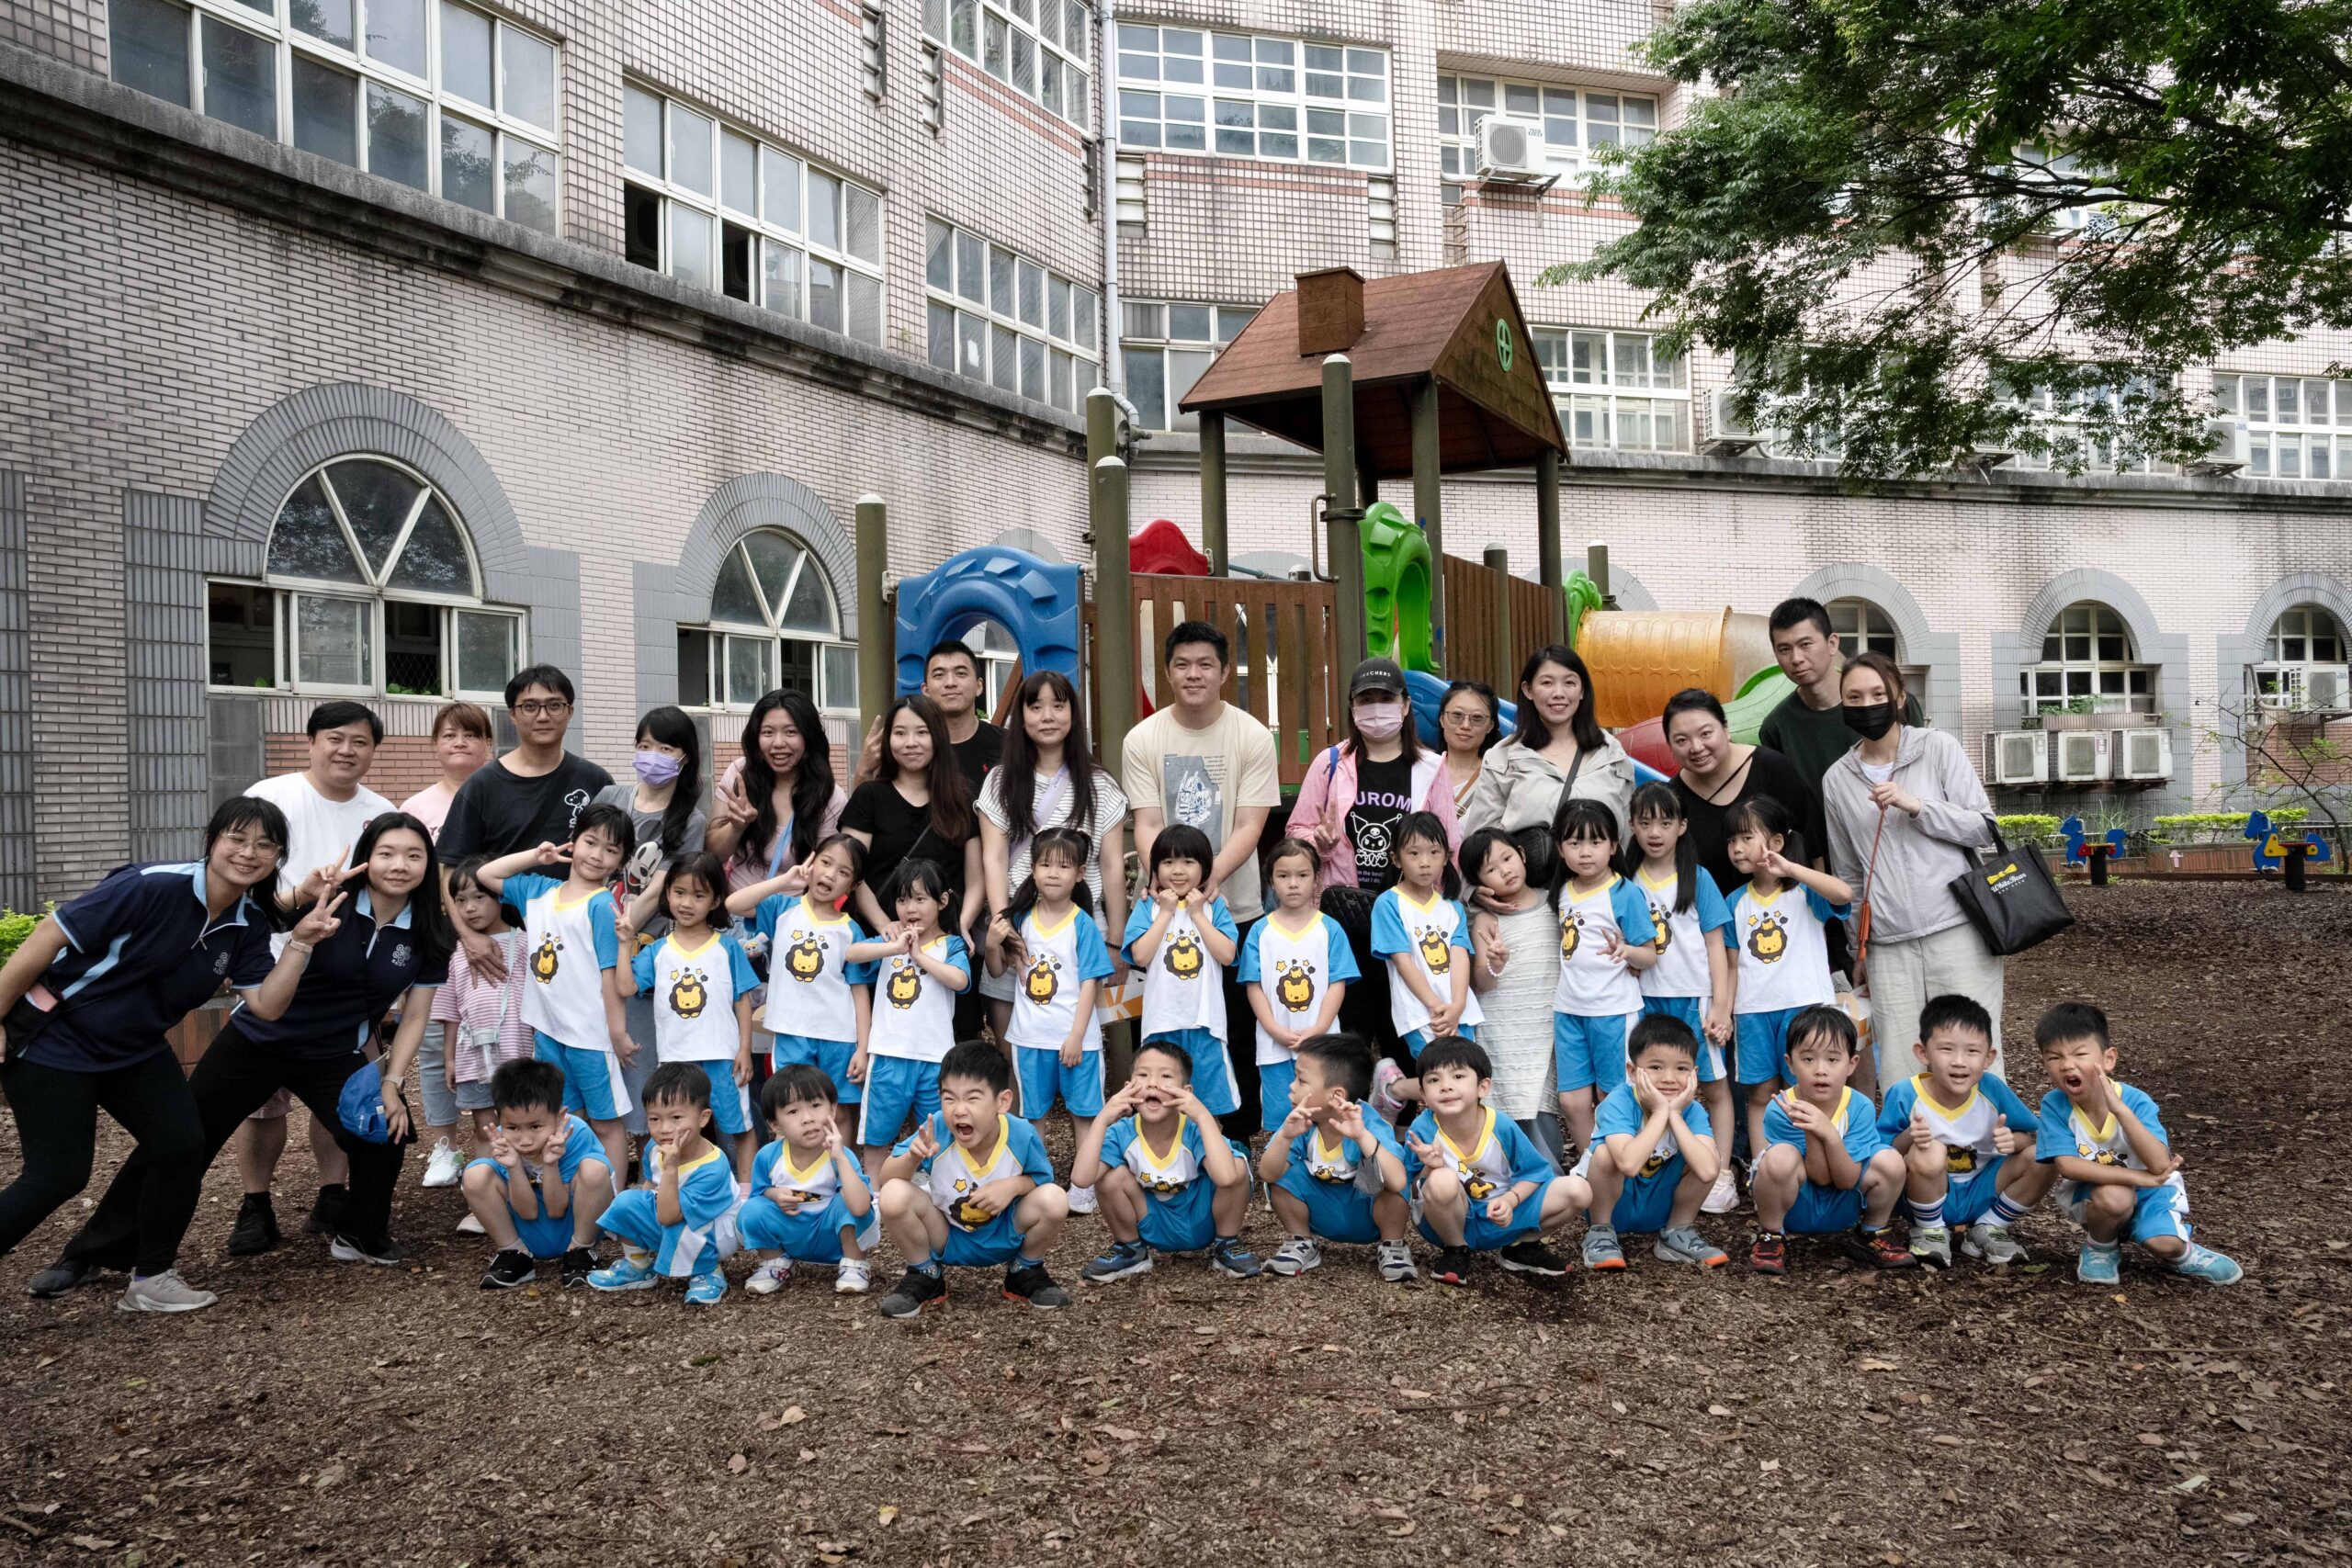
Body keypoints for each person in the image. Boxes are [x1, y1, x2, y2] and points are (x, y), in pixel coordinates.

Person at [30, 810, 452, 1299]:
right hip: (258, 1039)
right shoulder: (331, 899)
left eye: (413, 855)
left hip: (333, 1052)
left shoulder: (428, 931)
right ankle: (91, 1252)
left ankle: (359, 1233)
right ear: (367, 858)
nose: (399, 865)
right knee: (180, 1143)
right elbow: (256, 914)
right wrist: (304, 892)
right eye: (386, 853)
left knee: (383, 1131)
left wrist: (392, 1083)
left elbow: (415, 1015)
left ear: (428, 865)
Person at [7, 798, 300, 1312]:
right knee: (58, 1174)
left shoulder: (247, 922)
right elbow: (48, 936)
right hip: (58, 1039)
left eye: (265, 845)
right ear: (212, 840)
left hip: (135, 1050)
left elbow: (267, 1006)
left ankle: (151, 1278)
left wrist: (303, 943)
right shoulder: (151, 885)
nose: (248, 853)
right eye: (236, 838)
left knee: (181, 1144)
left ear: (277, 857)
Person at [232, 700, 394, 1258]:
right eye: (335, 738)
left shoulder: (381, 812)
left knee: (342, 1097)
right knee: (262, 1103)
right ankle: (255, 1204)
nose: (346, 750)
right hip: (272, 969)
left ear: (373, 751)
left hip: (348, 981)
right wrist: (298, 896)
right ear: (311, 741)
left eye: (360, 741)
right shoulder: (272, 797)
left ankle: (332, 1194)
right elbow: (243, 882)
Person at [1822, 653, 2008, 1083]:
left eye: (1878, 694)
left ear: (1900, 697)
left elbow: (1984, 828)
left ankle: (1989, 1130)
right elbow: (1849, 874)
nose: (1867, 704)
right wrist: (1858, 947)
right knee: (1901, 1067)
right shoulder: (1837, 779)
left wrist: (1919, 807)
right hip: (1888, 946)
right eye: (1854, 697)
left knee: (1972, 1057)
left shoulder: (1937, 748)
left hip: (1958, 929)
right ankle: (1913, 1134)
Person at [1124, 621, 1280, 1122]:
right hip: (1161, 907)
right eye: (1183, 665)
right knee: (1159, 1019)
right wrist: (1162, 880)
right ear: (1168, 672)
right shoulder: (1143, 738)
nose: (1194, 674)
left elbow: (1251, 823)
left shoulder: (1252, 735)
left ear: (1225, 672)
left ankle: (1233, 1132)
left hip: (1233, 904)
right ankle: (1158, 1124)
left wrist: (1211, 879)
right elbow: (1147, 822)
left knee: (1232, 1021)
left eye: (1205, 665)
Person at [1287, 658, 1458, 1049]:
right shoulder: (1331, 763)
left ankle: (1401, 1084)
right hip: (1343, 916)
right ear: (1352, 707)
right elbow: (1296, 830)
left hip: (1406, 918)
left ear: (1405, 705)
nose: (1376, 709)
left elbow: (1449, 843)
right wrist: (1320, 841)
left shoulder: (1431, 767)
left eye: (1386, 698)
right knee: (1351, 1030)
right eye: (1366, 700)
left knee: (1406, 1027)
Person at [475, 806, 639, 1179]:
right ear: (573, 842)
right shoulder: (538, 891)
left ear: (621, 861)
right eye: (590, 842)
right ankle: (572, 1191)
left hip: (590, 1034)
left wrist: (617, 1032)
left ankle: (610, 1197)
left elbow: (609, 973)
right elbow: (486, 874)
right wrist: (537, 855)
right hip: (548, 1030)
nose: (596, 855)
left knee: (605, 1122)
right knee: (566, 1119)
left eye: (611, 850)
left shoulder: (602, 905)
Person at [2033, 1001, 2242, 1285]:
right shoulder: (2055, 1104)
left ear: (2108, 1059)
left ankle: (2184, 1252)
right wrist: (2138, 1177)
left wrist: (2120, 1111)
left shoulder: (2135, 1101)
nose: (2067, 1064)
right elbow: (2068, 1166)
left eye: (2080, 1054)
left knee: (2164, 1245)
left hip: (2152, 1191)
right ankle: (2101, 1247)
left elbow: (2160, 1165)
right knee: (2115, 1196)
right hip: (2099, 1194)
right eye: (2054, 1057)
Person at [976, 671, 1128, 1043]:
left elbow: (1112, 866)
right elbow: (994, 860)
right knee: (1013, 1047)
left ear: (1073, 714)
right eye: (1036, 707)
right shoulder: (1000, 781)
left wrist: (1115, 940)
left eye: (1058, 706)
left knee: (1082, 1045)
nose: (1048, 716)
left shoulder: (1099, 784)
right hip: (1019, 927)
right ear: (1021, 716)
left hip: (1082, 931)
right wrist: (1005, 928)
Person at [873, 1039, 1073, 1317]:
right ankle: (925, 1274)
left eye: (972, 1098)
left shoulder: (1021, 1134)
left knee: (1054, 1198)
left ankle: (1025, 1270)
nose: (959, 1109)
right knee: (894, 1194)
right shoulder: (937, 1129)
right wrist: (912, 1158)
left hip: (1006, 1233)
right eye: (949, 1098)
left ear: (1002, 1101)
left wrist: (1012, 1185)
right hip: (946, 1234)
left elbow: (1042, 1179)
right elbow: (886, 1179)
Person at [1625, 783, 1738, 1213]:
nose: (1655, 832)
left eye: (1665, 822)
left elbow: (1716, 945)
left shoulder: (1697, 877)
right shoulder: (1625, 880)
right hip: (1643, 998)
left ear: (1682, 826)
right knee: (1646, 1084)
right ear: (1632, 826)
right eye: (1646, 822)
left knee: (1713, 1084)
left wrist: (1721, 1006)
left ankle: (1721, 1171)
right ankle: (1655, 1167)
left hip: (1692, 998)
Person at [989, 827, 1115, 1212]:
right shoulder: (1020, 920)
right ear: (1032, 870)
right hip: (1029, 1037)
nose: (1053, 873)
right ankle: (1038, 1179)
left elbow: (1091, 983)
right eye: (1045, 865)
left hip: (1076, 1040)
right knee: (1033, 1114)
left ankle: (1083, 1185)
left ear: (1080, 873)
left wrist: (1076, 1036)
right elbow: (996, 970)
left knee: (1085, 1112)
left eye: (1063, 866)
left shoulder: (1083, 924)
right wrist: (992, 943)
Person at [1723, 795, 1853, 1165]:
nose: (1737, 848)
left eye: (1746, 837)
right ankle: (1763, 1167)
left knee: (1809, 1090)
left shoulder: (1806, 892)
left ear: (1777, 842)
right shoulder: (1734, 902)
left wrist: (1791, 869)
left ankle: (1817, 1165)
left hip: (1805, 1007)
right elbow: (1731, 966)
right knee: (1760, 1094)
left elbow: (1844, 894)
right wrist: (1725, 1012)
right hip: (1752, 1012)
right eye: (1732, 840)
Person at [1877, 994, 2050, 1269]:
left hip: (1983, 1189)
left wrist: (2012, 1140)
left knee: (2045, 1156)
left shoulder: (1992, 1090)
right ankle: (1930, 1230)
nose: (1959, 1061)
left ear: (1988, 1057)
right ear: (1923, 1053)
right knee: (1930, 1150)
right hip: (1922, 1193)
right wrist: (1910, 1136)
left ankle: (1990, 1226)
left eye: (1972, 1051)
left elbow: (2026, 1139)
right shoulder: (1906, 1094)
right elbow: (1882, 1155)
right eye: (1947, 1049)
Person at [602, 706, 709, 1136]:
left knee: (640, 1053)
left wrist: (617, 934)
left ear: (685, 757)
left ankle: (648, 1148)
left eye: (665, 749)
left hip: (643, 951)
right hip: (594, 942)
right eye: (645, 746)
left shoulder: (691, 821)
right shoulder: (610, 798)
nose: (652, 756)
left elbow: (658, 891)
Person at [1071, 1038, 1261, 1282]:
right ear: (1128, 1087)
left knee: (1235, 1163)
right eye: (1143, 1074)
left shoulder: (1195, 1129)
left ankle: (1227, 1243)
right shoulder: (1122, 1132)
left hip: (1204, 1220)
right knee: (1109, 1177)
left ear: (1186, 1092)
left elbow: (1226, 1177)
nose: (1152, 1083)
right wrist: (1102, 1119)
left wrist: (1203, 1116)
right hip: (1152, 1221)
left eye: (1166, 1076)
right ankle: (1130, 1248)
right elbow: (1081, 1179)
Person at [1400, 1036, 1580, 1284]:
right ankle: (1456, 1249)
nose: (1446, 1086)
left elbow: (1535, 1172)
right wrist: (1429, 1168)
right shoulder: (1422, 1129)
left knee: (1578, 1189)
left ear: (1483, 1087)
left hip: (1503, 1213)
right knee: (1441, 1179)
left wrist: (1510, 1199)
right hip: (1449, 1220)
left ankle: (1520, 1248)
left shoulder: (1501, 1126)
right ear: (1422, 1094)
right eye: (1434, 1080)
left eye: (1458, 1076)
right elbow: (1410, 1190)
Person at [1748, 1005, 1912, 1274]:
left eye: (1833, 1059)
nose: (1820, 1070)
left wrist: (1828, 1134)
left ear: (1852, 1064)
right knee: (1778, 1157)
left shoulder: (1860, 1107)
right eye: (1808, 1059)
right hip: (1796, 1204)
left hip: (1845, 1200)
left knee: (1890, 1160)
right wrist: (1813, 1131)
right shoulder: (1782, 1108)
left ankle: (1873, 1231)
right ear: (1790, 1064)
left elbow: (1846, 1180)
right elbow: (1820, 1178)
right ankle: (1771, 1235)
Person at [729, 833, 871, 1141]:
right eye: (826, 862)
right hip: (791, 1031)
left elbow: (859, 992)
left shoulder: (850, 930)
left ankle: (842, 1168)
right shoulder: (782, 908)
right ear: (812, 862)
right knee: (793, 1106)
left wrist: (862, 1048)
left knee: (840, 1111)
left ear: (854, 885)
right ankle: (795, 1167)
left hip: (839, 1036)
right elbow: (734, 903)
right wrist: (784, 881)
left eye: (844, 872)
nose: (830, 874)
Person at [630, 851, 760, 1182]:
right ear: (667, 893)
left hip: (723, 1055)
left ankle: (746, 1191)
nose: (687, 903)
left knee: (738, 1126)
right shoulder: (657, 951)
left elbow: (742, 1000)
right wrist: (622, 942)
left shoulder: (727, 948)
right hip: (674, 1059)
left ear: (715, 900)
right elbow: (626, 986)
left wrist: (744, 1049)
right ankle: (669, 1187)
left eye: (699, 895)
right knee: (674, 1127)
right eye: (679, 892)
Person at [437, 665, 616, 902]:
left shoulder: (596, 781)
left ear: (569, 712)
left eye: (554, 705)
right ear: (513, 714)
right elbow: (453, 870)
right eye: (530, 707)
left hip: (578, 919)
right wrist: (466, 925)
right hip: (501, 923)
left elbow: (618, 855)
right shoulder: (481, 785)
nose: (543, 716)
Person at [423, 856, 536, 1227]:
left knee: (524, 1123)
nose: (470, 908)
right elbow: (450, 1009)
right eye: (460, 900)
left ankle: (526, 1197)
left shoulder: (525, 942)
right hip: (474, 1057)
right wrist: (450, 1057)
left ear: (500, 896)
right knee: (485, 1126)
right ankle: (486, 1203)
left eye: (479, 897)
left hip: (519, 1054)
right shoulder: (455, 950)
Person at [1546, 798, 1657, 1156]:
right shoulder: (1562, 892)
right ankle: (1591, 1165)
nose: (1585, 852)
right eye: (1574, 843)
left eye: (1595, 842)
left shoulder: (1625, 893)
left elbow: (1650, 954)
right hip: (1569, 1009)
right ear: (1560, 848)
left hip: (1614, 1010)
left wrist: (1627, 952)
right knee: (1572, 1101)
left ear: (1613, 846)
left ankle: (1622, 1163)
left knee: (1612, 1097)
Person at [1573, 1014, 1728, 1270]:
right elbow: (1628, 1164)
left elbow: (1708, 1171)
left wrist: (1674, 1114)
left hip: (1659, 1204)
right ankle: (1600, 1233)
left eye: (1681, 1069)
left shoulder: (1692, 1111)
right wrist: (1659, 1112)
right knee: (1605, 1154)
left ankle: (1677, 1232)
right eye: (1656, 1067)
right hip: (1614, 1202)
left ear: (1694, 1074)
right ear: (1633, 1071)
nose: (1669, 1078)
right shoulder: (1619, 1102)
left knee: (1707, 1155)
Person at [1256, 1032, 1415, 1283]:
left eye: (1301, 1080)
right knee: (1283, 1171)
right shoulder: (1302, 1122)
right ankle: (1300, 1241)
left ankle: (1392, 1246)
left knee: (1391, 1171)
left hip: (1367, 1214)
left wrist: (1362, 1136)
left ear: (1336, 1095)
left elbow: (1397, 1182)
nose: (1292, 1086)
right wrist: (1285, 1137)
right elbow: (1267, 1174)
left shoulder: (1368, 1123)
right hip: (1322, 1213)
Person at [847, 859, 970, 1171]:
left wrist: (918, 956)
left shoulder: (952, 944)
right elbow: (852, 954)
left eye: (920, 899)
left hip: (935, 1057)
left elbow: (960, 980)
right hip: (888, 1054)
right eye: (902, 900)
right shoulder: (891, 941)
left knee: (934, 1133)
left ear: (942, 901)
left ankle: (930, 1188)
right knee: (876, 1137)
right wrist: (894, 948)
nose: (910, 908)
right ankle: (875, 1192)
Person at [587, 1061, 744, 1303]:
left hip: (713, 1229)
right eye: (654, 1119)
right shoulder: (655, 1147)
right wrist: (639, 1218)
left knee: (682, 1224)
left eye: (676, 1117)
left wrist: (671, 1169)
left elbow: (670, 1216)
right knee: (626, 1202)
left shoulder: (712, 1167)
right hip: (671, 1211)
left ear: (703, 1118)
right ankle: (638, 1265)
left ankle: (708, 1271)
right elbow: (651, 1186)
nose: (664, 1128)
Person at [1460, 828, 1567, 1168]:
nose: (1505, 871)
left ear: (1522, 854)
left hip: (1544, 1020)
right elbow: (1481, 982)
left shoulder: (1555, 901)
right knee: (1512, 1095)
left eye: (1507, 858)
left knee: (1541, 1098)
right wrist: (1494, 964)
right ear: (1478, 883)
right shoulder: (1485, 918)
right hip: (1504, 1023)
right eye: (1491, 869)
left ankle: (1546, 1170)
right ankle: (1522, 1170)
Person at [842, 694, 983, 950]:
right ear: (888, 740)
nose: (910, 743)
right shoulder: (869, 796)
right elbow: (850, 871)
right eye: (900, 733)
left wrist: (961, 925)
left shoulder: (962, 798)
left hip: (944, 944)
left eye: (921, 732)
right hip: (881, 944)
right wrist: (885, 926)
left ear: (938, 737)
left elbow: (975, 879)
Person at [1122, 825, 1243, 1120]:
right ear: (1155, 868)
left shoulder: (1214, 907)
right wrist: (1165, 913)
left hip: (1206, 1023)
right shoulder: (1148, 907)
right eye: (1168, 862)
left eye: (1188, 862)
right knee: (1160, 1099)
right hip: (1161, 1022)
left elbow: (1227, 954)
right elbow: (1140, 955)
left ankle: (1208, 1149)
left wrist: (1197, 914)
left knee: (1208, 1103)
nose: (1177, 871)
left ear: (1205, 867)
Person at [1661, 689, 1825, 904]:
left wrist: (1821, 909)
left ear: (1726, 729)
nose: (1697, 747)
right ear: (1670, 746)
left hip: (1789, 913)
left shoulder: (1771, 768)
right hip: (1716, 919)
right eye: (1682, 740)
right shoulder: (1671, 799)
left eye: (1706, 734)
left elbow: (1814, 846)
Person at [1368, 813, 1484, 1116]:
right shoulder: (1389, 904)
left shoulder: (1452, 906)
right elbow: (1402, 961)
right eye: (1414, 853)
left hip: (1459, 1011)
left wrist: (1457, 1005)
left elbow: (1460, 956)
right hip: (1421, 1013)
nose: (1424, 862)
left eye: (1434, 852)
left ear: (1446, 857)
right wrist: (1436, 1007)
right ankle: (1397, 1093)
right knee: (1444, 1079)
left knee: (1465, 1079)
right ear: (1396, 858)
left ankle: (1395, 1089)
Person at [466, 1058, 616, 1291]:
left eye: (535, 1127)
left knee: (595, 1168)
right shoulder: (502, 1141)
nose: (525, 1140)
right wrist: (514, 1167)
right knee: (475, 1174)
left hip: (573, 1223)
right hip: (526, 1225)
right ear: (499, 1117)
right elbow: (527, 1212)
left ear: (559, 1117)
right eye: (513, 1127)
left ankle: (581, 1251)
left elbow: (556, 1210)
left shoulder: (575, 1134)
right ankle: (515, 1254)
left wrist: (550, 1164)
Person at [1238, 839, 1356, 1134]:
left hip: (1323, 1046)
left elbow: (1337, 984)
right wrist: (1273, 1028)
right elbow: (1254, 986)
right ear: (1270, 880)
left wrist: (1319, 1029)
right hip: (1275, 1046)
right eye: (1283, 875)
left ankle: (1324, 1163)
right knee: (1283, 1120)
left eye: (1302, 875)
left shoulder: (1330, 929)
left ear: (1316, 878)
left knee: (1326, 1114)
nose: (1293, 884)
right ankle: (1283, 1165)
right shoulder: (1260, 931)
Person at [1460, 645, 1635, 840]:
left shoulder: (1611, 754)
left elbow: (1627, 838)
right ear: (1528, 690)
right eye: (1547, 683)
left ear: (1582, 690)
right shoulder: (1501, 758)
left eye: (1569, 683)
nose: (1558, 693)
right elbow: (1481, 844)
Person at [1757, 597, 1926, 798]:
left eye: (1805, 644)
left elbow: (1925, 774)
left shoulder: (1893, 704)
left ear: (1832, 643)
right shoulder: (1776, 727)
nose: (1796, 659)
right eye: (1784, 649)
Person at [739, 1065, 878, 1296]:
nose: (807, 1119)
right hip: (792, 1231)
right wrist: (775, 1194)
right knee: (752, 1209)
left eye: (815, 1106)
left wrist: (840, 1158)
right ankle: (775, 1262)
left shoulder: (842, 1156)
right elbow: (759, 1194)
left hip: (832, 1235)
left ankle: (855, 1263)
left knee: (848, 1198)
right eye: (793, 1111)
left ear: (832, 1109)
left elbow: (861, 1207)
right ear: (775, 1124)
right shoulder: (768, 1156)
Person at [707, 690, 847, 900]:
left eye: (790, 732)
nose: (778, 743)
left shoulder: (830, 797)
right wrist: (736, 827)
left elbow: (826, 875)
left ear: (808, 737)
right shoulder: (739, 774)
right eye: (767, 732)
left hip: (792, 913)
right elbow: (712, 854)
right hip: (735, 907)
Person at [860, 638, 1005, 794]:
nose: (950, 683)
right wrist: (864, 769)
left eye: (961, 673)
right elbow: (871, 804)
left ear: (979, 686)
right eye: (939, 675)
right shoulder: (909, 748)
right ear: (925, 690)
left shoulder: (1008, 744)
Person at [399, 700, 494, 840]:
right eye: (450, 736)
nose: (460, 743)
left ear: (488, 743)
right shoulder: (414, 809)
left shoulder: (509, 800)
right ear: (436, 742)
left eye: (470, 735)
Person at [1438, 681, 1502, 818]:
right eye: (1457, 715)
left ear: (1490, 726)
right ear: (1442, 719)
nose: (1465, 725)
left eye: (1477, 718)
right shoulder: (1423, 770)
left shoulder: (1499, 778)